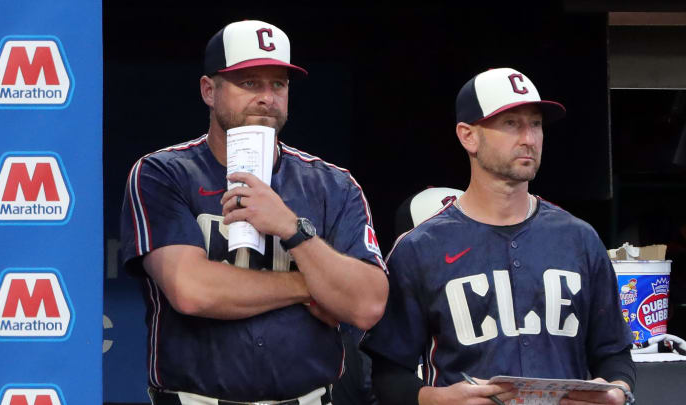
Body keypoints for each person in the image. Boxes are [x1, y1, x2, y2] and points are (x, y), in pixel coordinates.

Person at [120, 19, 389, 405]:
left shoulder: (333, 184)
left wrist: (292, 229)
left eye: (278, 84)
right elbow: (191, 291)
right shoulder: (163, 173)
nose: (267, 97)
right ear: (208, 90)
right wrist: (311, 288)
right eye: (250, 83)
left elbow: (367, 305)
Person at [361, 67, 635, 405]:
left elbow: (614, 352)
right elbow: (385, 374)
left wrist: (618, 393)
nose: (529, 138)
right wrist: (437, 399)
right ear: (468, 136)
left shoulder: (579, 238)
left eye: (535, 124)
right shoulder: (421, 248)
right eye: (511, 124)